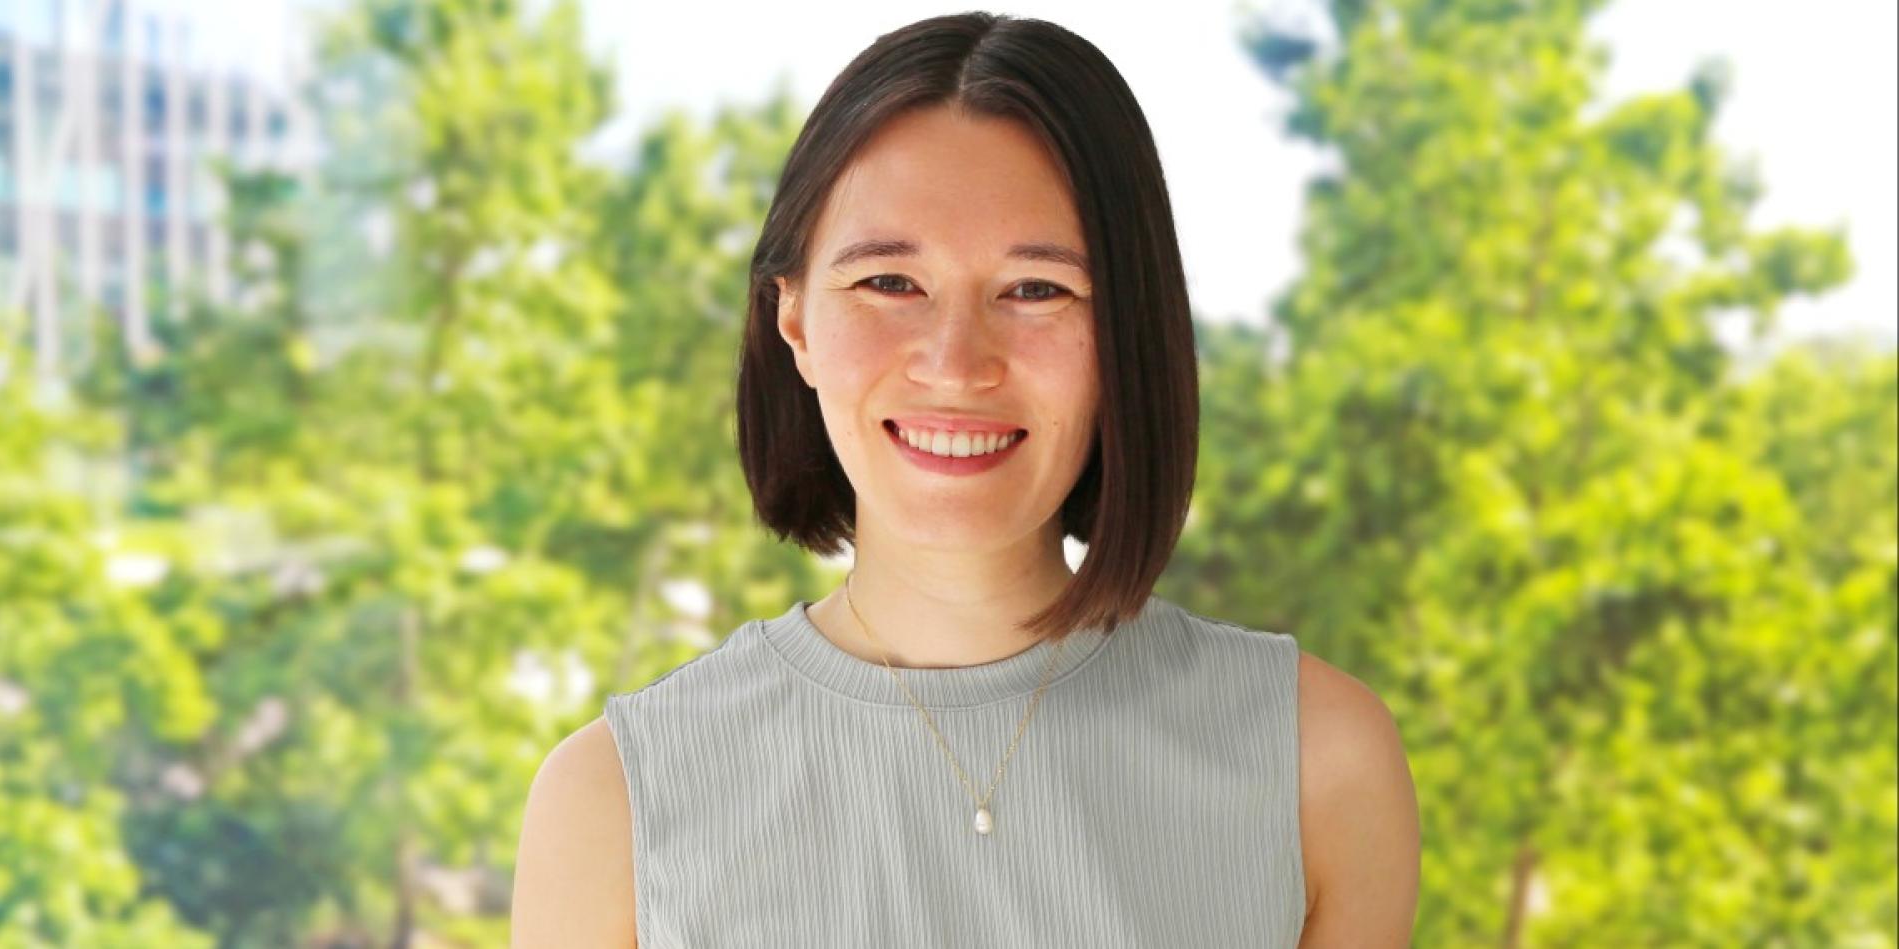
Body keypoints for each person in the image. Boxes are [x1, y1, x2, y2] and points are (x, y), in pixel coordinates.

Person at [511, 11, 1418, 947]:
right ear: (793, 323)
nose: (956, 362)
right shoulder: (613, 803)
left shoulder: (1319, 763)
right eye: (889, 283)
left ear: (1125, 337)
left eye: (1036, 290)